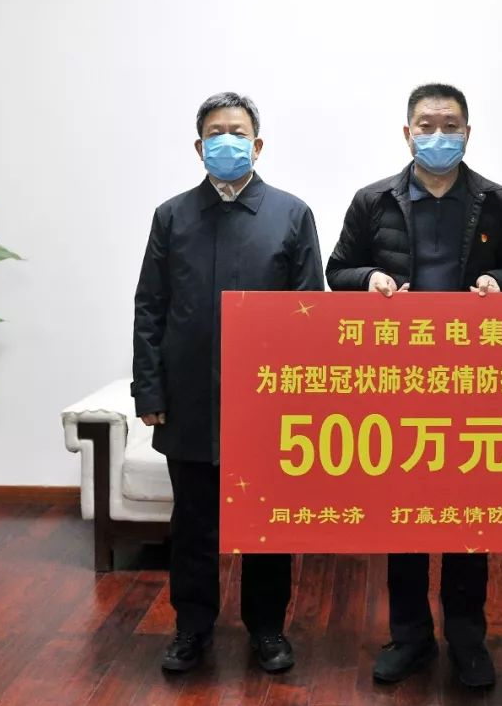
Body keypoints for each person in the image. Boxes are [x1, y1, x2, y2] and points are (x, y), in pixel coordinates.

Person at [326, 83, 502, 688]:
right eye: (427, 125)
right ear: (407, 133)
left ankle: (468, 639)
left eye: (450, 125)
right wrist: (368, 278)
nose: (438, 135)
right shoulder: (373, 202)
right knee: (405, 517)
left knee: (470, 516)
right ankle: (411, 636)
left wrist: (500, 282)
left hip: (473, 383)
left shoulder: (498, 202)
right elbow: (336, 271)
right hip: (400, 383)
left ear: (468, 134)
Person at [132, 92, 324, 674]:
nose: (227, 142)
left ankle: (267, 628)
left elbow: (309, 311)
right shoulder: (172, 216)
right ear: (199, 147)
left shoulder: (291, 214)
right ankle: (191, 627)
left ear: (257, 144)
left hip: (266, 402)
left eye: (238, 132)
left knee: (266, 521)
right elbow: (150, 307)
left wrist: (302, 397)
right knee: (192, 522)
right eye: (215, 133)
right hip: (189, 398)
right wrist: (150, 391)